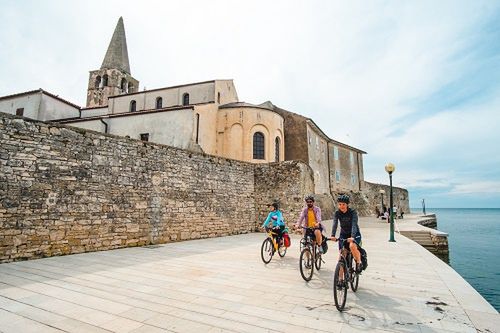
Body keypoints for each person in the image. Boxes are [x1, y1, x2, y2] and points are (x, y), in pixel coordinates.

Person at [330, 194, 363, 274]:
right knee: (341, 257)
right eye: (340, 204)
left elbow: (354, 224)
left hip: (354, 234)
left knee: (352, 246)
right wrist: (333, 235)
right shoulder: (337, 213)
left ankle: (359, 262)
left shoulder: (352, 212)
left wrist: (352, 236)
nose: (341, 206)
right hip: (343, 234)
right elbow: (335, 223)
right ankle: (340, 280)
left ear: (347, 204)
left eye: (343, 204)